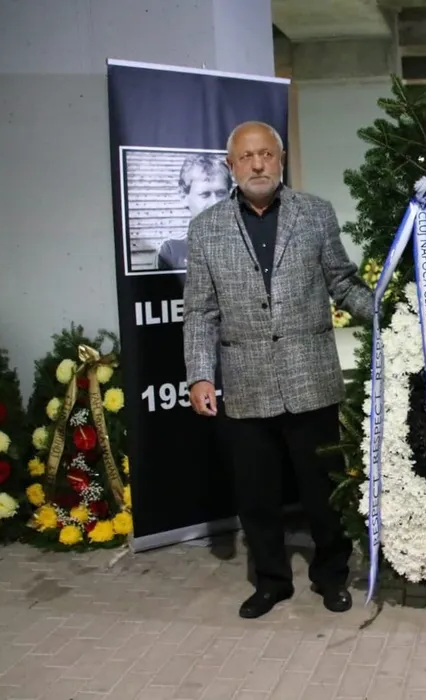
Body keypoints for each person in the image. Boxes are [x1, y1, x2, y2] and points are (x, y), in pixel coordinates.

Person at [183, 121, 371, 618]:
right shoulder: (206, 229)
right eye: (246, 157)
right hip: (246, 383)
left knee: (323, 491)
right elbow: (199, 311)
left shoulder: (315, 213)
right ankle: (271, 581)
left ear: (281, 159)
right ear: (231, 166)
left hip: (312, 378)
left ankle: (331, 575)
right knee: (257, 496)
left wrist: (392, 314)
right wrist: (200, 375)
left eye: (266, 154)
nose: (258, 164)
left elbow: (343, 283)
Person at [158, 154, 232, 271]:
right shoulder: (172, 251)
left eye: (221, 193)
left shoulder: (244, 244)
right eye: (205, 194)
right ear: (184, 196)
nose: (215, 203)